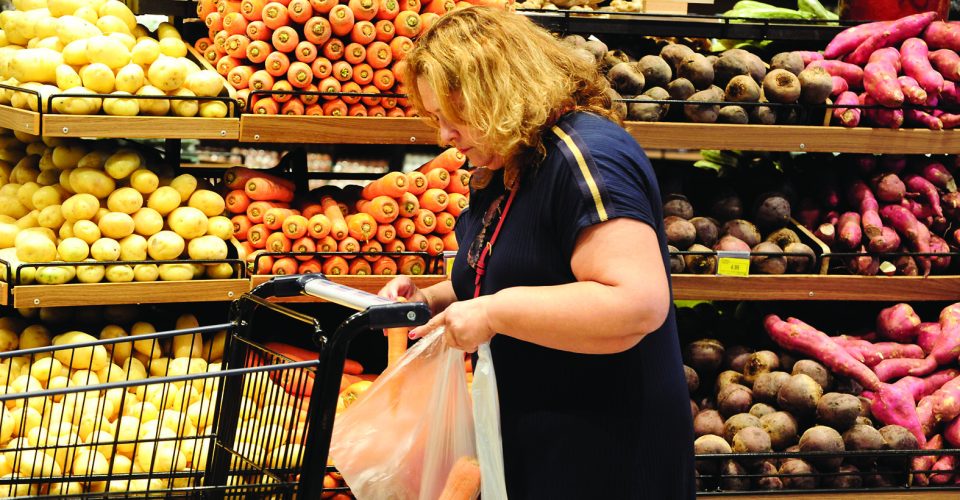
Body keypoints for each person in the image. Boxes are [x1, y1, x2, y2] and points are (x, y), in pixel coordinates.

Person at [378, 6, 695, 498]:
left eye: (451, 116)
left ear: (495, 92)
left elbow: (636, 302)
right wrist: (431, 299)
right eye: (436, 119)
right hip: (537, 440)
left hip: (604, 451)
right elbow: (517, 270)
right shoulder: (509, 158)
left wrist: (492, 312)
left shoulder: (585, 158)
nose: (444, 136)